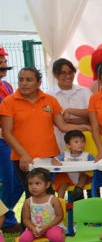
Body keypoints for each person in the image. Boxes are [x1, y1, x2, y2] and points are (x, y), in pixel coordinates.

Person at [0, 68, 86, 200]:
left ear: (39, 83)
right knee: (33, 196)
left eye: (29, 80)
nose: (24, 83)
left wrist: (85, 127)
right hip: (24, 159)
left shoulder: (49, 100)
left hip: (50, 158)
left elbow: (62, 126)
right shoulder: (9, 102)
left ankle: (51, 221)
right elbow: (6, 132)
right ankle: (28, 222)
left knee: (49, 196)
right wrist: (23, 154)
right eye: (21, 80)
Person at [18, 168, 73, 242]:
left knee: (56, 237)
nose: (33, 187)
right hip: (34, 228)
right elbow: (26, 219)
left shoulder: (53, 199)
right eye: (30, 184)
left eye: (37, 183)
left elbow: (59, 216)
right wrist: (33, 228)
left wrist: (46, 227)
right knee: (23, 239)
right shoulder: (28, 202)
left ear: (47, 185)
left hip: (52, 226)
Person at [49, 58, 92, 155]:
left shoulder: (84, 91)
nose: (68, 76)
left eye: (71, 72)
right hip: (60, 141)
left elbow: (93, 113)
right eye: (63, 73)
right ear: (54, 74)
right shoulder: (49, 95)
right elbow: (59, 123)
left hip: (86, 141)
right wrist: (83, 119)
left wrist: (70, 111)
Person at [0, 48, 22, 229]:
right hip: (1, 141)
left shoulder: (6, 86)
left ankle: (6, 216)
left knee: (19, 182)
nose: (4, 64)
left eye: (4, 60)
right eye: (0, 60)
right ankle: (7, 220)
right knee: (6, 181)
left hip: (10, 140)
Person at [51, 130, 94, 199]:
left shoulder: (88, 156)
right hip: (67, 175)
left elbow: (94, 164)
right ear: (68, 145)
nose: (80, 144)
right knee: (62, 183)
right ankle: (60, 200)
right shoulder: (65, 154)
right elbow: (54, 159)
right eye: (76, 142)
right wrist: (56, 163)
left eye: (82, 141)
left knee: (85, 176)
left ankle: (78, 189)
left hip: (80, 175)